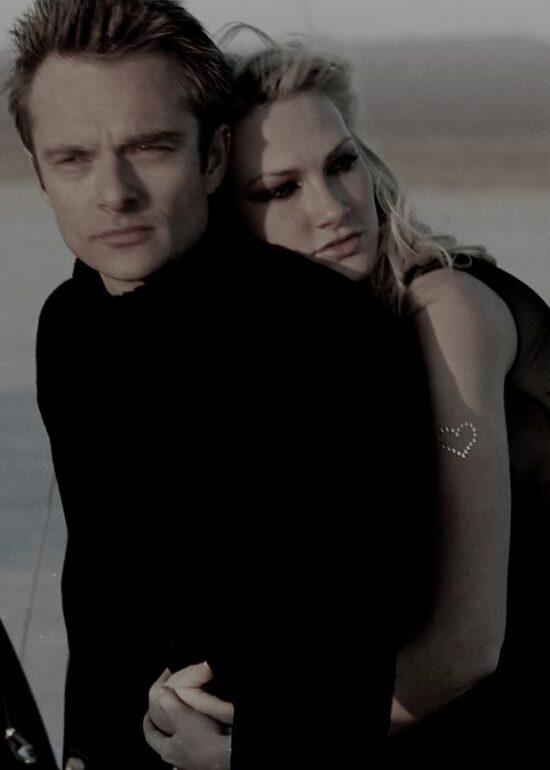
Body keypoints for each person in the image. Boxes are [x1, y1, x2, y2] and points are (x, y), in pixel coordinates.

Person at [7, 3, 436, 768]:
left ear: (212, 157)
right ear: (38, 172)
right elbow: (99, 590)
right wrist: (87, 750)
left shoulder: (329, 332)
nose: (114, 192)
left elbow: (373, 614)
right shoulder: (68, 326)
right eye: (72, 158)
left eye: (150, 148)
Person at [145, 32, 550, 765]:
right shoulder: (312, 354)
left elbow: (466, 647)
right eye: (280, 189)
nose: (333, 207)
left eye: (341, 164)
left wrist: (255, 753)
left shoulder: (447, 309)